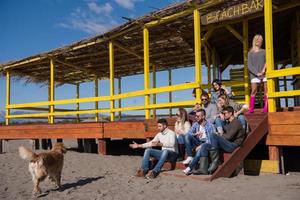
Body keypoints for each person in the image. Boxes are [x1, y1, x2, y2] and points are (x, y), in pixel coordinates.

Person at [195, 106, 246, 174]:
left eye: (225, 113)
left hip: (233, 145)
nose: (223, 115)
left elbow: (228, 137)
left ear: (230, 113)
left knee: (213, 135)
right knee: (205, 146)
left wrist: (218, 135)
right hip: (228, 143)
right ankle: (202, 168)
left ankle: (215, 162)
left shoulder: (236, 122)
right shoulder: (229, 122)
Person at [182, 109, 215, 175]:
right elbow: (189, 133)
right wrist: (196, 134)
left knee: (201, 149)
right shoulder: (195, 124)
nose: (196, 117)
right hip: (198, 141)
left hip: (207, 143)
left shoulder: (210, 125)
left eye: (198, 116)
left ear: (203, 116)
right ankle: (190, 156)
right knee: (187, 135)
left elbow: (211, 139)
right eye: (195, 116)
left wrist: (201, 146)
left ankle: (190, 168)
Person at [248, 34, 268, 113]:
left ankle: (266, 109)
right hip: (254, 74)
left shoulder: (264, 51)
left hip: (264, 73)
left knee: (266, 91)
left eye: (260, 40)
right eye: (257, 39)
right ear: (254, 40)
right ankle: (251, 110)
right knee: (254, 91)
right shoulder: (250, 52)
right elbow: (249, 65)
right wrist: (257, 73)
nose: (258, 41)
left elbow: (267, 61)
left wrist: (263, 70)